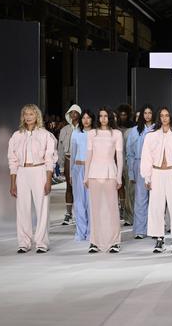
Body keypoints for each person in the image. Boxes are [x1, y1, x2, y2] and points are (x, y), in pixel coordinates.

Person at [8, 104, 57, 253]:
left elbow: (50, 159)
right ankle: (24, 242)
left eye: (31, 114)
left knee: (42, 208)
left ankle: (41, 243)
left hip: (40, 171)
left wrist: (48, 181)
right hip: (22, 172)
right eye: (26, 114)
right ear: (22, 117)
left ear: (37, 116)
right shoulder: (16, 135)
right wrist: (13, 183)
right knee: (22, 209)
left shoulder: (45, 135)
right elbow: (12, 160)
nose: (28, 117)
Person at [141, 107, 172, 253]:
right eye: (162, 115)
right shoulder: (151, 136)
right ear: (159, 117)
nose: (164, 118)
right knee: (156, 207)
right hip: (156, 173)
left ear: (171, 117)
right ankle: (159, 238)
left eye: (167, 115)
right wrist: (147, 177)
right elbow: (146, 158)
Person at [84, 107, 123, 253]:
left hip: (110, 174)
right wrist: (85, 176)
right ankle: (94, 242)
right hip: (94, 174)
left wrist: (119, 176)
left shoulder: (117, 134)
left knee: (112, 209)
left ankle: (115, 241)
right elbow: (88, 155)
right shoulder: (92, 134)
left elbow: (119, 157)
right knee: (95, 210)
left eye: (106, 116)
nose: (103, 119)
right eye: (100, 116)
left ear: (110, 118)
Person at [126, 104, 155, 239]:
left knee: (155, 198)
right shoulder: (134, 131)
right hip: (139, 164)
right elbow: (130, 154)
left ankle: (154, 229)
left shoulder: (157, 129)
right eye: (145, 113)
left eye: (150, 113)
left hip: (155, 166)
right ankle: (140, 230)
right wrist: (131, 173)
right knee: (140, 198)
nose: (147, 115)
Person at [70, 109, 94, 242]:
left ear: (92, 119)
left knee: (91, 202)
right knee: (79, 202)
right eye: (84, 118)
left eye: (88, 118)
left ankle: (91, 232)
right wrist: (71, 174)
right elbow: (73, 154)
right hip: (78, 168)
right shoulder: (75, 133)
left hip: (92, 169)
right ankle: (80, 232)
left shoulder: (96, 134)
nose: (86, 120)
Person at [57, 104, 82, 225]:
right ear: (68, 115)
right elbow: (60, 148)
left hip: (81, 161)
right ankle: (68, 214)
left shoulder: (84, 129)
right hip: (68, 159)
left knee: (82, 187)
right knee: (69, 186)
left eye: (75, 112)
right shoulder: (64, 130)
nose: (73, 114)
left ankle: (80, 213)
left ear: (79, 114)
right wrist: (61, 166)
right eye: (71, 112)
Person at [117, 104, 135, 226]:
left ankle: (129, 215)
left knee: (129, 190)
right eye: (121, 114)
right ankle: (120, 210)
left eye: (125, 114)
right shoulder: (115, 127)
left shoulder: (132, 128)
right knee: (118, 189)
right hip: (115, 161)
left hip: (128, 162)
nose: (123, 116)